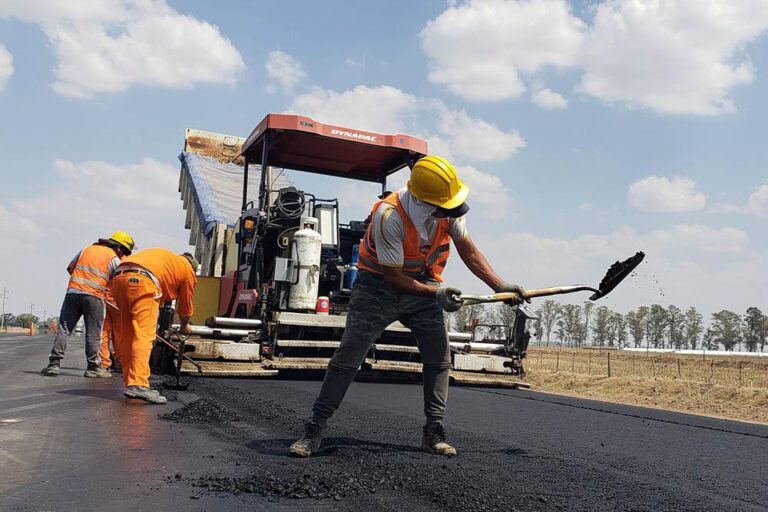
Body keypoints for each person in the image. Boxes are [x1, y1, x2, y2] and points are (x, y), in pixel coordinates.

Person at [289, 156, 526, 458]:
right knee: (348, 357)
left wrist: (498, 285)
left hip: (422, 284)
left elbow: (469, 250)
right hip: (378, 287)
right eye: (446, 206)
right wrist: (436, 295)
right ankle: (313, 430)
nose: (453, 211)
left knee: (439, 358)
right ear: (424, 201)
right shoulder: (391, 217)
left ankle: (434, 432)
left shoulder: (448, 210)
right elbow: (393, 278)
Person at [41, 232, 135, 377]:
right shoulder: (114, 259)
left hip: (73, 293)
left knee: (64, 329)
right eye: (125, 251)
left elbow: (70, 268)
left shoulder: (86, 249)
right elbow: (117, 282)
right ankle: (92, 367)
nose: (123, 254)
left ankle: (54, 364)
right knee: (93, 333)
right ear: (119, 247)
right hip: (95, 297)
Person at [110, 249, 198, 404]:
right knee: (144, 334)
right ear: (193, 266)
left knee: (128, 333)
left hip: (118, 279)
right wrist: (184, 326)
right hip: (144, 281)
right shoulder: (188, 270)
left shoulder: (168, 261)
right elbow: (185, 308)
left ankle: (130, 380)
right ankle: (138, 384)